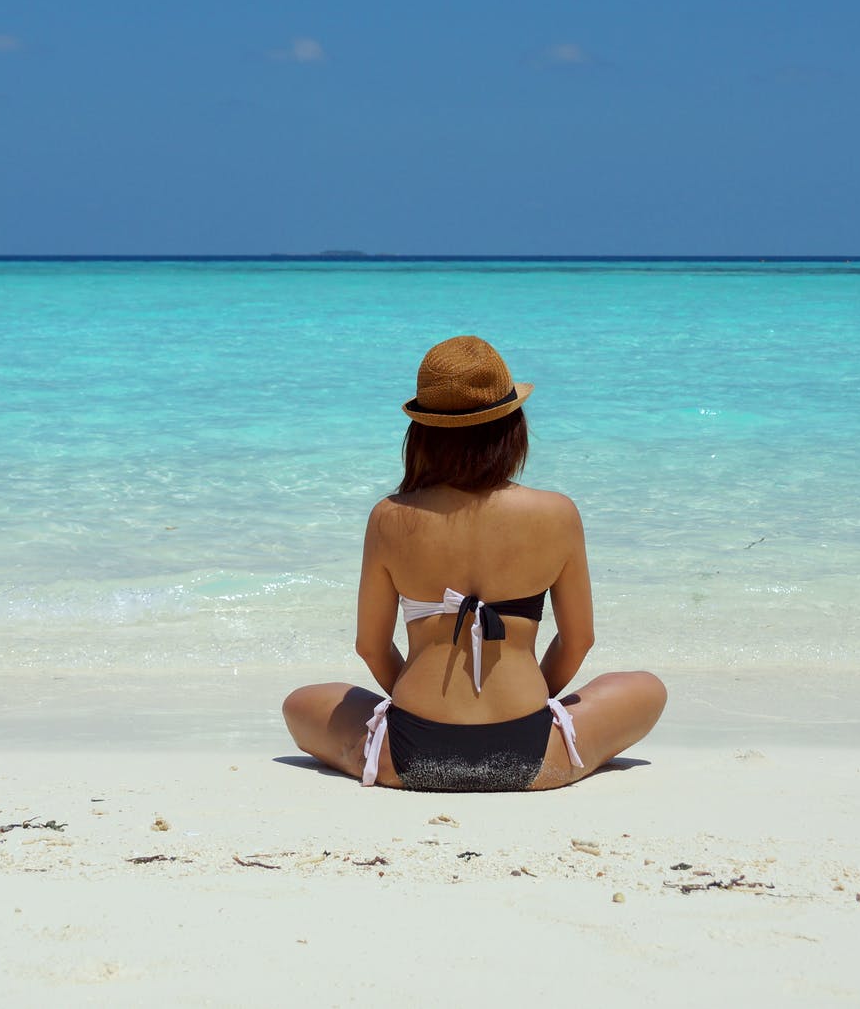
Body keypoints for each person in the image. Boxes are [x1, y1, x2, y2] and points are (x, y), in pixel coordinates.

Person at [282, 335, 666, 790]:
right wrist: (530, 700)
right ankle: (548, 747)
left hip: (411, 752)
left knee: (300, 703)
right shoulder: (556, 513)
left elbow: (370, 646)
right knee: (646, 688)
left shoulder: (391, 517)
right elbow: (579, 640)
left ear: (421, 434)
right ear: (512, 428)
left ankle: (398, 750)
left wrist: (424, 705)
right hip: (531, 751)